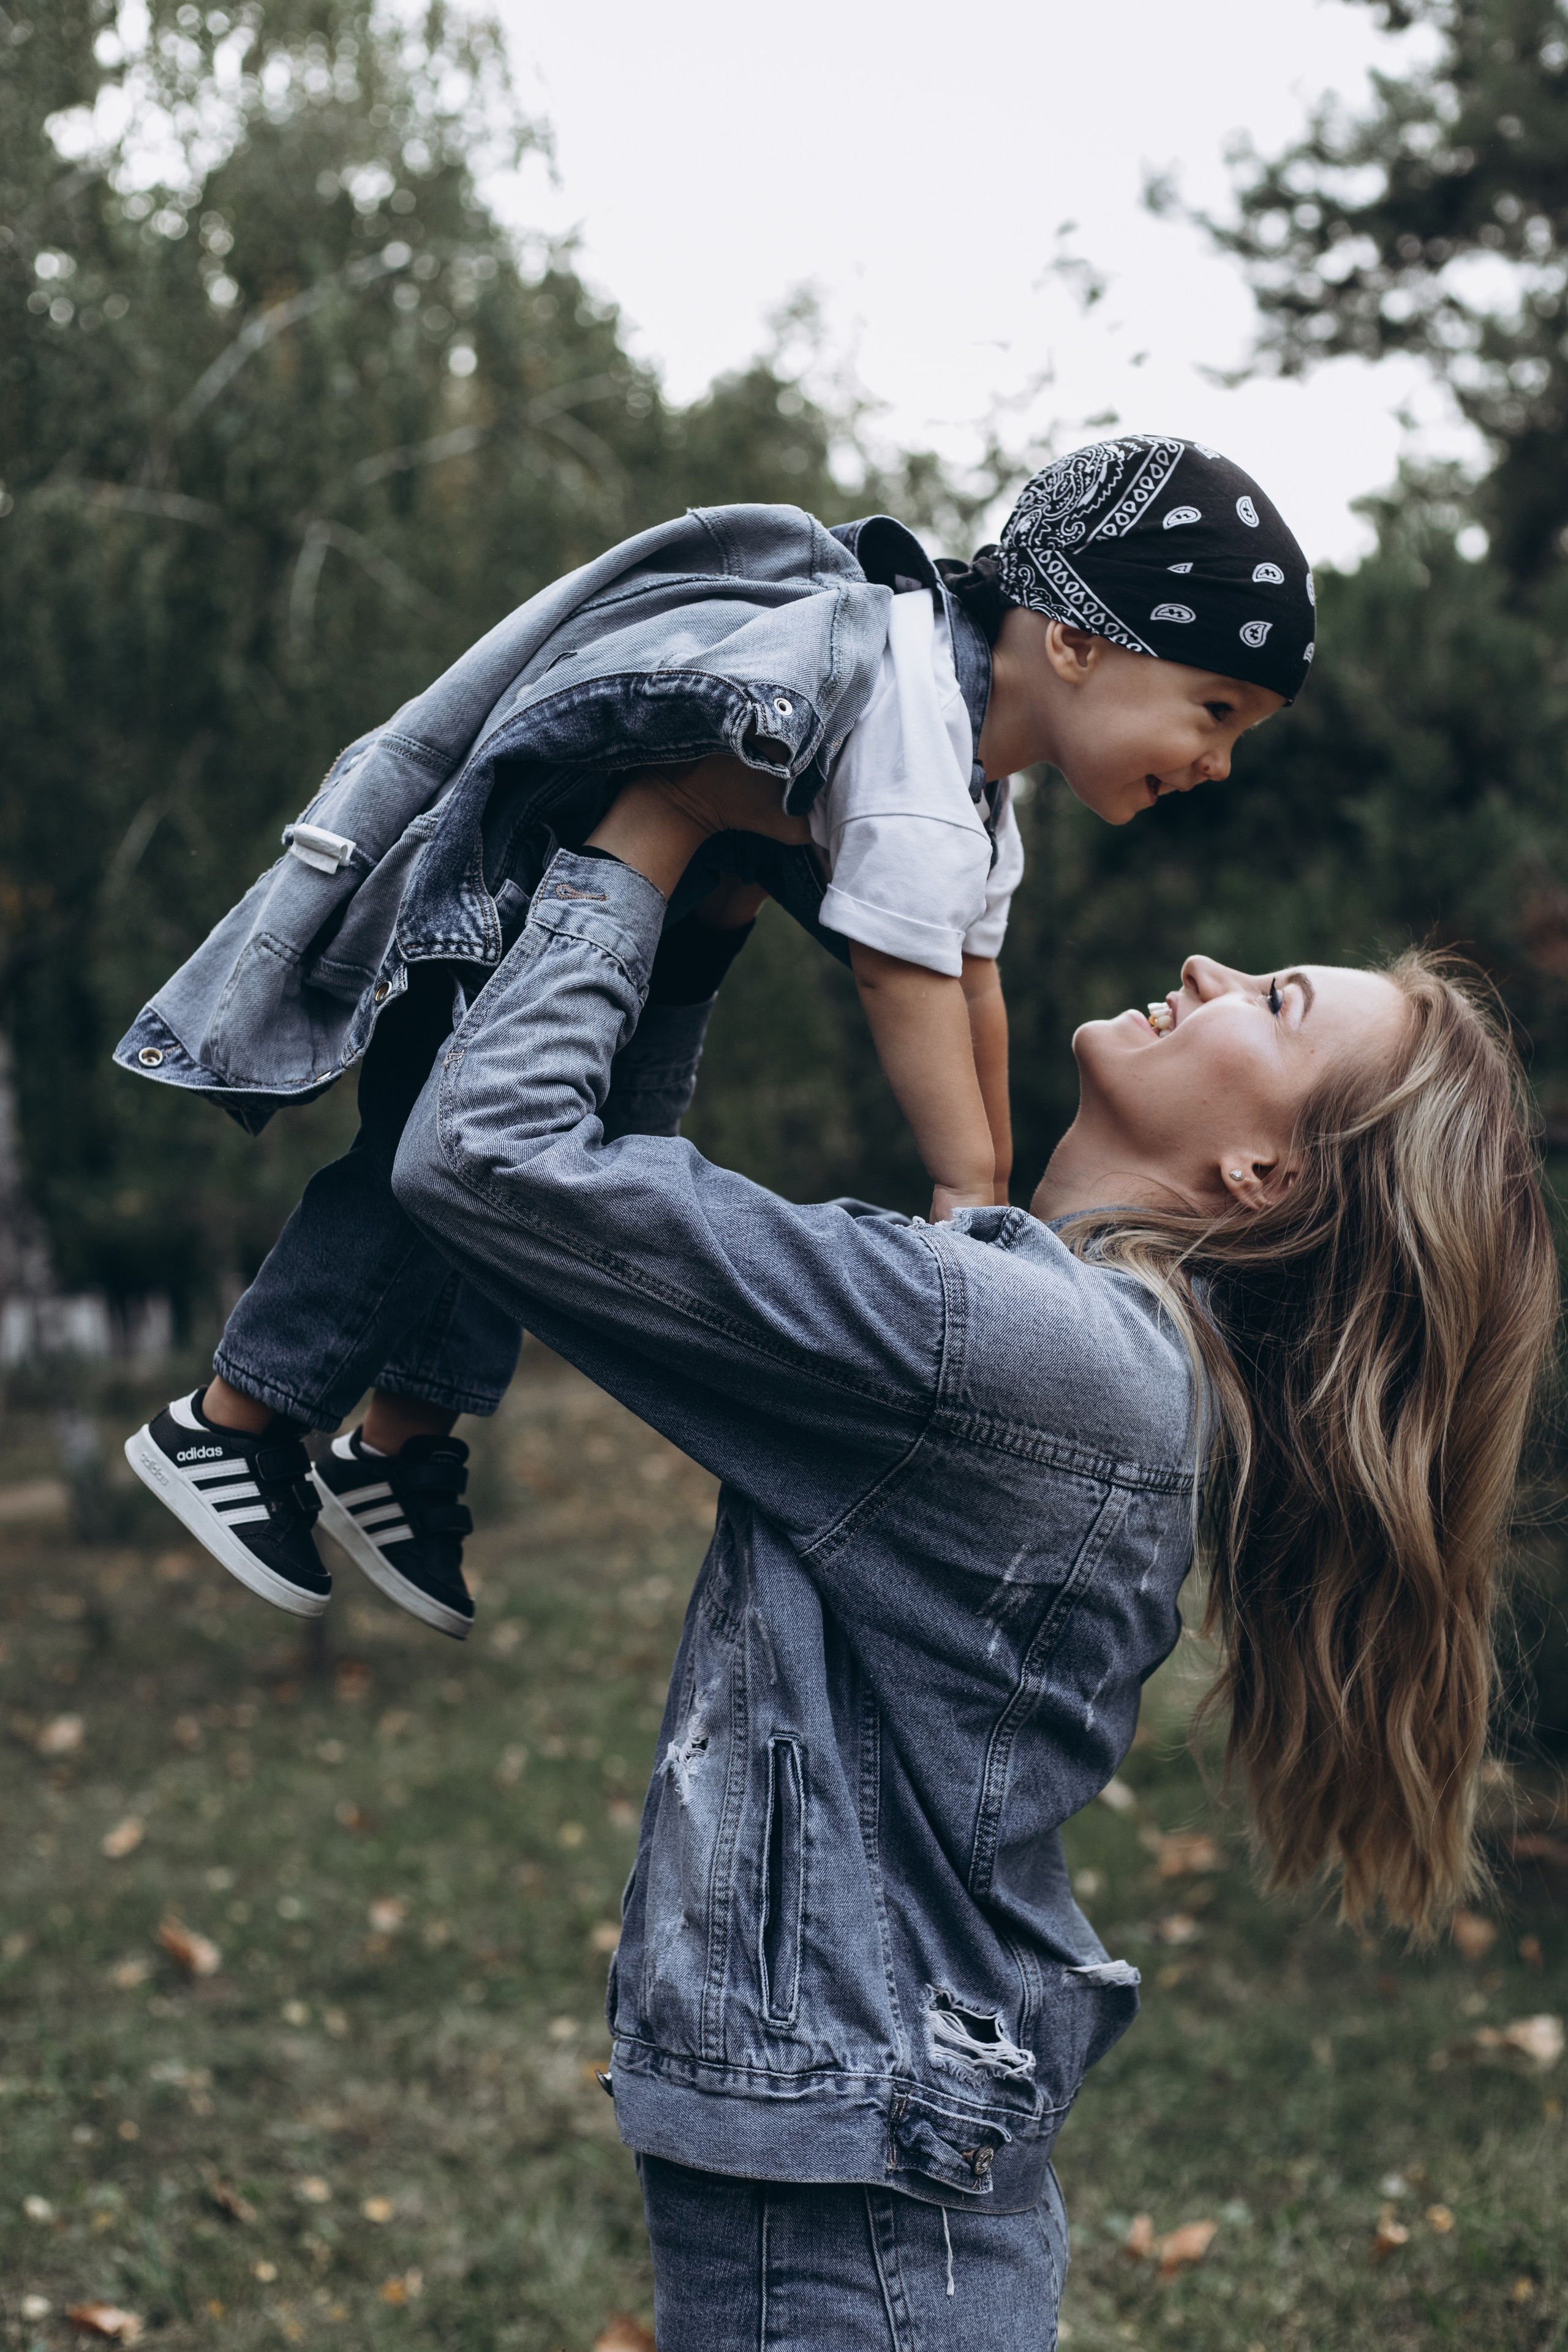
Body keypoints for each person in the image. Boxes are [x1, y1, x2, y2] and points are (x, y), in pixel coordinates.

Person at [382, 761, 1555, 2348]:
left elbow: (490, 1160)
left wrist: (651, 835)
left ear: (1267, 1178)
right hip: (855, 2184)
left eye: (1273, 1003)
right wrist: (703, 920)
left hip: (859, 2224)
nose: (1209, 968)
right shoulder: (1067, 1350)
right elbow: (605, 1226)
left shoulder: (1030, 1358)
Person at [117, 436, 1311, 1636]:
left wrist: (997, 1203)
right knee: (423, 1163)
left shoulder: (975, 794)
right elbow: (903, 979)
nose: (1215, 762)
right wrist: (964, 1184)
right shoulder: (909, 730)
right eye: (1213, 711)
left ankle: (397, 1444)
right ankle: (235, 1417)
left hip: (629, 931)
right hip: (519, 882)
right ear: (1075, 641)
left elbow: (971, 980)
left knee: (538, 1191)